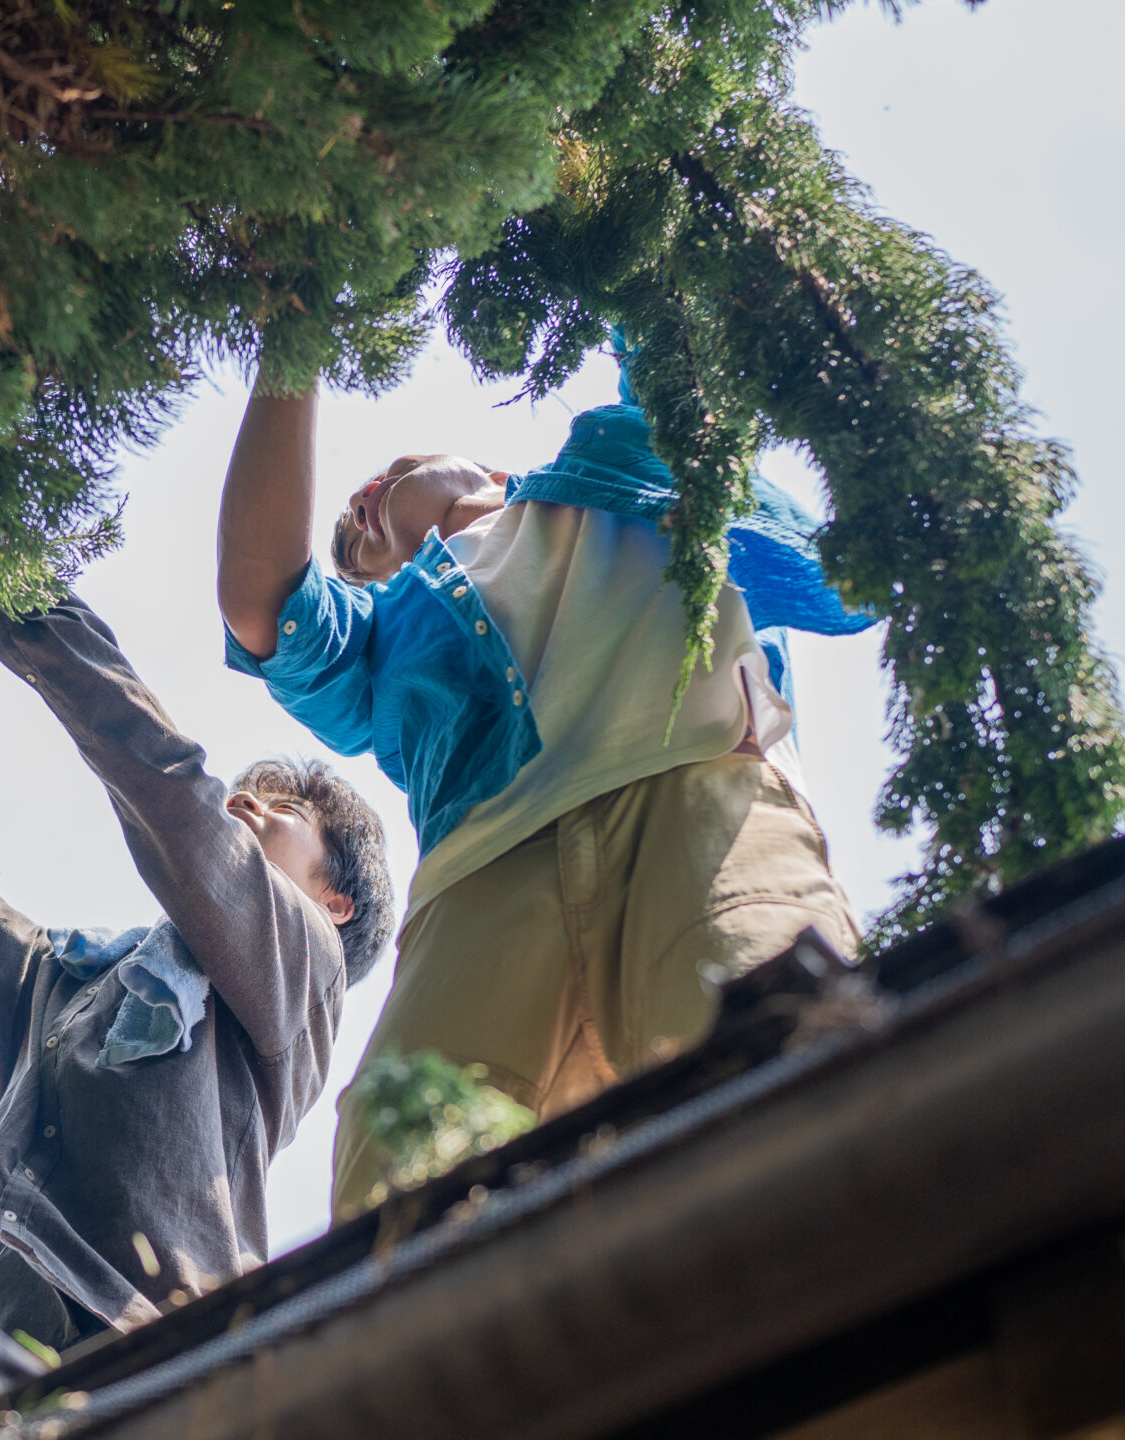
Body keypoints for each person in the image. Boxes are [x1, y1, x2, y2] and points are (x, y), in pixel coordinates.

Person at [213, 349, 876, 1218]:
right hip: (481, 885)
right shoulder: (378, 639)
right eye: (359, 556)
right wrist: (295, 343)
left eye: (392, 474)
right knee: (402, 1190)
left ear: (489, 470)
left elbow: (671, 331)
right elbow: (264, 600)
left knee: (783, 1055)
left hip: (698, 799)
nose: (361, 508)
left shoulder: (623, 459)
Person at [0, 586, 393, 1438]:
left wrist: (7, 582)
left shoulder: (301, 969)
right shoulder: (64, 981)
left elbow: (167, 788)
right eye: (242, 796)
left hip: (147, 1344)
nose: (243, 805)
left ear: (335, 904)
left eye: (281, 811)